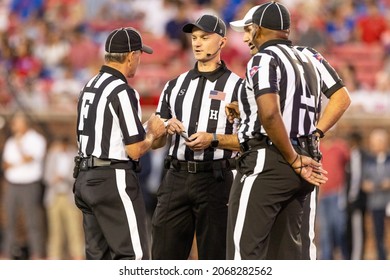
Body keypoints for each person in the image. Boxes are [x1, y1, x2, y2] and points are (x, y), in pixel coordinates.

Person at [226, 2, 351, 260]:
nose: (246, 37)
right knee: (294, 255)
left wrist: (292, 157)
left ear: (259, 29)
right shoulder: (310, 55)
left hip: (270, 159)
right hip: (307, 158)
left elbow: (270, 113)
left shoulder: (263, 58)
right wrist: (316, 133)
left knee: (244, 256)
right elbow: (341, 97)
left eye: (248, 30)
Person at [151, 14, 243, 260]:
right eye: (194, 38)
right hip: (176, 177)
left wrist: (213, 139)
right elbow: (155, 140)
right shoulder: (174, 85)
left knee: (215, 257)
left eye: (204, 37)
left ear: (222, 42)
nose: (197, 43)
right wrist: (164, 127)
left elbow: (249, 141)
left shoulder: (239, 87)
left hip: (216, 178)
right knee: (163, 256)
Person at [73, 27, 166, 260]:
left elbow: (110, 131)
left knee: (98, 258)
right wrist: (153, 134)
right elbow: (134, 150)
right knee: (133, 257)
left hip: (84, 177)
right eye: (139, 56)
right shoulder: (123, 90)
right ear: (131, 55)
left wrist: (143, 129)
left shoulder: (89, 85)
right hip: (112, 178)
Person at [1, 111, 47, 259]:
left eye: (17, 123)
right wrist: (19, 160)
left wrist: (20, 147)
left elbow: (29, 158)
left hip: (29, 185)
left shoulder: (36, 139)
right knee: (10, 219)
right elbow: (6, 165)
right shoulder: (10, 141)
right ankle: (8, 252)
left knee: (32, 221)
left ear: (25, 123)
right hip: (12, 185)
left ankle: (37, 253)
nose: (14, 126)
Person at [43, 136, 84, 260]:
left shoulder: (75, 155)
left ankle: (77, 254)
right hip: (54, 196)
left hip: (69, 196)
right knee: (55, 229)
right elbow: (46, 176)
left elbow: (78, 176)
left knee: (74, 229)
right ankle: (54, 255)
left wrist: (64, 177)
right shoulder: (52, 155)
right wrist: (53, 179)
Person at [317, 129, 350, 259]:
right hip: (321, 195)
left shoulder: (341, 147)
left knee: (340, 228)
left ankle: (343, 256)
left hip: (337, 195)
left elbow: (350, 168)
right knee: (324, 230)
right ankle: (326, 258)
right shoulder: (317, 147)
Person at [362, 128, 390, 260]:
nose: (373, 145)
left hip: (388, 201)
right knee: (378, 234)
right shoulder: (368, 161)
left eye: (376, 142)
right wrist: (367, 185)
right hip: (375, 202)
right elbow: (363, 181)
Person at [345, 130, 368, 259]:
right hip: (348, 200)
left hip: (357, 200)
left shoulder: (362, 156)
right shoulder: (349, 156)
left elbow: (358, 179)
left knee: (358, 231)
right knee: (349, 231)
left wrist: (353, 196)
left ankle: (357, 259)